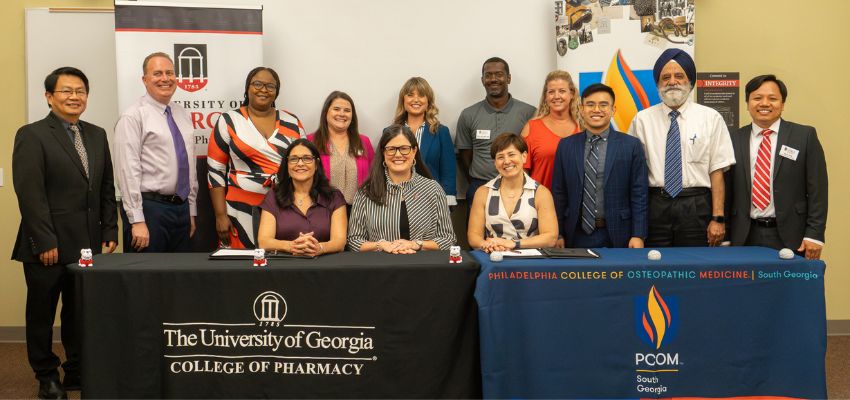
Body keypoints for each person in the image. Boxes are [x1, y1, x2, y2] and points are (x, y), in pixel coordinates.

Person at [12, 67, 118, 399]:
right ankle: (46, 375)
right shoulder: (32, 134)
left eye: (81, 91)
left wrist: (110, 228)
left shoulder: (97, 134)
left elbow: (105, 187)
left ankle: (75, 370)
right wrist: (44, 240)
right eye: (66, 91)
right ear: (49, 97)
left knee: (78, 312)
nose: (75, 97)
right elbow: (30, 194)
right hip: (48, 245)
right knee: (42, 313)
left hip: (87, 244)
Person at [628, 49, 735, 247]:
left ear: (690, 81)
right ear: (658, 84)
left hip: (696, 206)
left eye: (679, 76)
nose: (672, 82)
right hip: (655, 206)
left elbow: (717, 170)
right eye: (665, 77)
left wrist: (718, 218)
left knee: (694, 267)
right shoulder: (641, 120)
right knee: (654, 268)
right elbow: (633, 174)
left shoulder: (710, 118)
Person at [726, 75, 827, 259]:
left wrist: (815, 234)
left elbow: (817, 190)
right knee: (744, 287)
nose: (765, 103)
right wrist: (725, 235)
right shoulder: (733, 139)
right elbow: (727, 191)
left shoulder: (804, 136)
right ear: (747, 102)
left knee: (790, 287)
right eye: (757, 98)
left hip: (793, 236)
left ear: (782, 103)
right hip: (744, 235)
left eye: (772, 98)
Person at [208, 66, 307, 249]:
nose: (264, 89)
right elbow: (216, 170)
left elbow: (305, 165)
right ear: (247, 88)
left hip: (284, 205)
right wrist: (220, 215)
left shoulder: (292, 122)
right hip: (239, 209)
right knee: (241, 267)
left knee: (281, 260)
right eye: (257, 84)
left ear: (277, 92)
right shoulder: (229, 120)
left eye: (271, 86)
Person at [114, 52, 198, 252]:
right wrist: (137, 220)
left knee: (179, 277)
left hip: (181, 210)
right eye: (157, 73)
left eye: (170, 73)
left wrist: (190, 210)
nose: (165, 78)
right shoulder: (132, 116)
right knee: (148, 278)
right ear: (144, 79)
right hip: (150, 210)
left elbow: (190, 165)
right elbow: (127, 170)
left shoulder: (181, 114)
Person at [552, 83, 648, 248]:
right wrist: (558, 233)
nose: (596, 109)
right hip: (575, 234)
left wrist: (638, 234)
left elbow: (639, 194)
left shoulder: (631, 146)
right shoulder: (566, 146)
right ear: (581, 109)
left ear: (613, 110)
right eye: (590, 104)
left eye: (603, 105)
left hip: (620, 234)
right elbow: (559, 194)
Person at [348, 124, 456, 253]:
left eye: (404, 148)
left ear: (414, 151)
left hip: (425, 267)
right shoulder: (366, 192)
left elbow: (448, 239)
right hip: (380, 268)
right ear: (383, 152)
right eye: (391, 149)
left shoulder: (433, 189)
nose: (398, 154)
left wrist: (416, 244)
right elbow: (354, 241)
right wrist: (381, 245)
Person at [456, 57, 536, 205]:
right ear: (482, 80)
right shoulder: (468, 114)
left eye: (499, 74)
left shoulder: (529, 113)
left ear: (508, 78)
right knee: (476, 229)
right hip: (480, 186)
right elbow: (465, 155)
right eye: (488, 75)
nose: (493, 79)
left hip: (519, 187)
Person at [467, 133, 558, 252]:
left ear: (524, 156)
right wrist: (489, 246)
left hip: (530, 262)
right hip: (493, 258)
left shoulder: (541, 193)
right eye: (500, 157)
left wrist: (513, 244)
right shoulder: (483, 192)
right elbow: (473, 237)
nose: (506, 161)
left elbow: (550, 238)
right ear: (495, 163)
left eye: (511, 155)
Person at [257, 139, 347, 256]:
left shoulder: (334, 197)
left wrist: (319, 248)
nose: (300, 164)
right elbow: (264, 241)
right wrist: (292, 246)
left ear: (316, 165)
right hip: (284, 266)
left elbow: (339, 242)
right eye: (294, 159)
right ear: (287, 166)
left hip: (324, 266)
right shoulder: (273, 196)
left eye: (307, 158)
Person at [392, 77, 457, 206]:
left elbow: (448, 171)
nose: (416, 100)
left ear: (428, 101)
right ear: (403, 101)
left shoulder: (441, 132)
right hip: (397, 199)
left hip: (431, 201)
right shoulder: (390, 132)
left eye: (421, 95)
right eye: (410, 95)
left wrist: (448, 201)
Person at [307, 91, 374, 207]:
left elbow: (375, 175)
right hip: (322, 211)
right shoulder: (310, 142)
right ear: (326, 113)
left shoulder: (364, 142)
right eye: (336, 109)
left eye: (347, 110)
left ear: (352, 116)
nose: (342, 114)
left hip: (358, 212)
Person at [520, 70, 582, 189]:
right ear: (546, 96)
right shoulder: (532, 127)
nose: (556, 96)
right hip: (539, 203)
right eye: (551, 92)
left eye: (562, 91)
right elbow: (522, 172)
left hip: (576, 204)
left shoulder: (583, 127)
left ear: (572, 93)